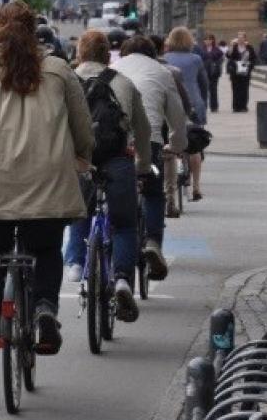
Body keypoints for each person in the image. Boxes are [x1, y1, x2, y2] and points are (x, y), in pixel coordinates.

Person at [0, 0, 94, 351]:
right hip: (47, 183)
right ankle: (45, 307)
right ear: (35, 30)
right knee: (45, 247)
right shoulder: (59, 70)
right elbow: (83, 131)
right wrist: (82, 158)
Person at [64, 30, 152, 323]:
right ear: (107, 56)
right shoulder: (123, 83)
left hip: (80, 161)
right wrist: (143, 164)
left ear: (80, 54)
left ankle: (76, 262)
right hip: (117, 160)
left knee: (79, 211)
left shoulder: (67, 81)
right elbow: (143, 130)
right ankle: (124, 278)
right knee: (124, 224)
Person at [111, 36, 187, 280]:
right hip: (151, 139)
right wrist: (175, 146)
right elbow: (177, 117)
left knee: (117, 196)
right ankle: (153, 241)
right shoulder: (162, 73)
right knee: (154, 192)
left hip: (117, 141)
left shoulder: (113, 70)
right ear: (153, 53)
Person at [150, 34, 195, 217]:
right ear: (162, 49)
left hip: (146, 122)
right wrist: (188, 113)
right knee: (168, 156)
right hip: (165, 121)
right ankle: (170, 201)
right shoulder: (172, 72)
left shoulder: (131, 71)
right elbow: (182, 101)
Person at [164, 27, 209, 202]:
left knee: (171, 144)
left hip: (171, 104)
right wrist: (203, 102)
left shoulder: (165, 59)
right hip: (194, 105)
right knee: (194, 146)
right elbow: (203, 83)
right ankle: (196, 187)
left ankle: (171, 184)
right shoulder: (196, 59)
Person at [227, 32, 257, 112]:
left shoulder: (249, 47)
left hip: (245, 71)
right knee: (235, 89)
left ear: (245, 38)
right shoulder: (234, 47)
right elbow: (228, 56)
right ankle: (236, 106)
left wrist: (250, 64)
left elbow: (254, 58)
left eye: (241, 37)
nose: (240, 39)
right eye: (238, 37)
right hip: (235, 71)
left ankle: (243, 106)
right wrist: (231, 46)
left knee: (244, 89)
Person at [200, 34, 224, 113]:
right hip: (204, 72)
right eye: (206, 39)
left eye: (210, 39)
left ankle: (214, 106)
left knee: (213, 90)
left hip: (214, 72)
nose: (208, 41)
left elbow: (220, 59)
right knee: (203, 90)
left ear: (213, 40)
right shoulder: (201, 50)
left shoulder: (217, 50)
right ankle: (204, 106)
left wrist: (215, 64)